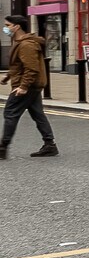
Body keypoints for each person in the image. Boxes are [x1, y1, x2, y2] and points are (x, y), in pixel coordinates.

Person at [1, 14, 57, 159]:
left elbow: (31, 68)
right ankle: (50, 145)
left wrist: (23, 86)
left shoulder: (26, 45)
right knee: (38, 114)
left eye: (7, 25)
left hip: (27, 86)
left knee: (10, 113)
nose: (5, 28)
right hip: (30, 85)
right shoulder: (19, 42)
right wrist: (7, 77)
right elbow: (18, 65)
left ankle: (2, 148)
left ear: (16, 27)